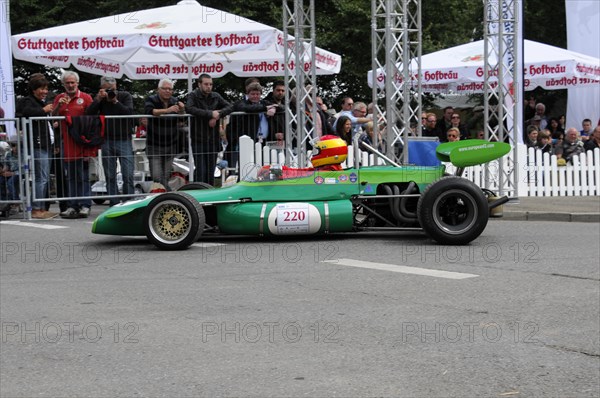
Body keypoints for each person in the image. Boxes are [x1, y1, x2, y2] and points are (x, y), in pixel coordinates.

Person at [87, 76, 134, 206]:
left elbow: (129, 112)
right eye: (107, 89)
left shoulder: (125, 96)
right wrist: (98, 99)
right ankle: (113, 203)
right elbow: (89, 113)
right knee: (110, 175)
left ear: (116, 86)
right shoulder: (101, 99)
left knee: (128, 174)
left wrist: (115, 101)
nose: (109, 92)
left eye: (111, 89)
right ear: (102, 89)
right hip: (107, 140)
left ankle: (129, 202)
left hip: (124, 139)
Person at [53, 71, 95, 219]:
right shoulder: (59, 98)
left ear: (77, 83)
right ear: (63, 84)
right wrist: (58, 106)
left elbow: (92, 118)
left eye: (73, 83)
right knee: (70, 176)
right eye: (67, 83)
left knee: (83, 174)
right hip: (66, 142)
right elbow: (53, 117)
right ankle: (72, 205)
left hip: (82, 142)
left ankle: (85, 205)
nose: (70, 85)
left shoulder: (85, 98)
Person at [15, 74, 57, 219]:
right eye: (41, 88)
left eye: (46, 89)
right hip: (38, 144)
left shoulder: (40, 102)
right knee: (41, 178)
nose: (45, 92)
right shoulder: (28, 101)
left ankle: (40, 207)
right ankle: (37, 209)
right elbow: (26, 113)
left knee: (43, 178)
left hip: (46, 144)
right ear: (33, 89)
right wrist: (43, 111)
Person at [185, 74, 233, 186]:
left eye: (211, 84)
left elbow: (230, 106)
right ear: (199, 84)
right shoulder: (193, 95)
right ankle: (200, 193)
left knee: (210, 171)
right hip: (198, 138)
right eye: (206, 84)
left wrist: (218, 115)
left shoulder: (215, 96)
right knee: (201, 171)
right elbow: (189, 108)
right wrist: (210, 114)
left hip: (213, 139)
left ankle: (210, 193)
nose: (209, 86)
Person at [145, 78, 185, 191]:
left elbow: (181, 120)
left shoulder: (174, 100)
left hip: (170, 144)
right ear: (159, 89)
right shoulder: (151, 99)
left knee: (166, 175)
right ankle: (167, 195)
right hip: (154, 144)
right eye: (165, 89)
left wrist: (182, 109)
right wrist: (167, 110)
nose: (168, 91)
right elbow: (150, 111)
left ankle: (164, 196)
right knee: (157, 176)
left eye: (170, 89)